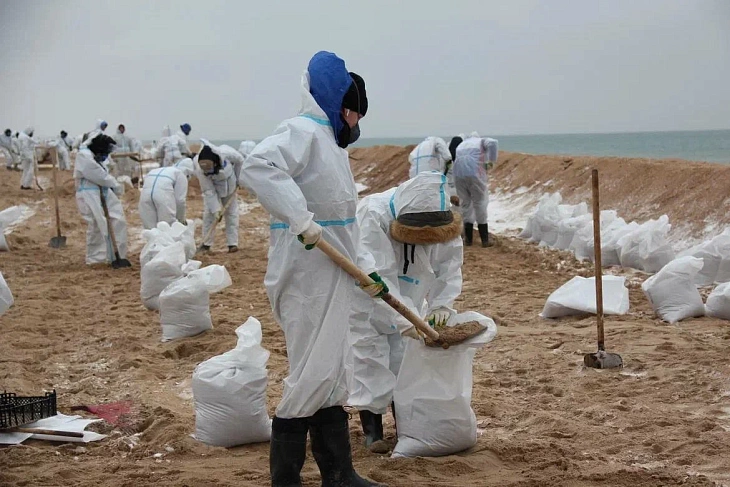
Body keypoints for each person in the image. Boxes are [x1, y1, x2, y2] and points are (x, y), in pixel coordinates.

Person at [240, 51, 389, 487]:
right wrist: (300, 219)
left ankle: (339, 474)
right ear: (334, 101)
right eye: (351, 111)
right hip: (305, 277)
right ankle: (285, 478)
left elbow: (346, 223)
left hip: (337, 275)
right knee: (312, 374)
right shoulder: (301, 132)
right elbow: (260, 166)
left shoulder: (332, 148)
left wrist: (367, 270)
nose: (354, 122)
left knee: (334, 373)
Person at [351, 171, 463, 452]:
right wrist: (404, 318)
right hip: (368, 299)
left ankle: (406, 428)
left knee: (406, 363)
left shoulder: (443, 219)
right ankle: (373, 431)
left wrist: (441, 305)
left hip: (411, 298)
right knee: (370, 357)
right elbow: (378, 275)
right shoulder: (372, 215)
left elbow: (448, 268)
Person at [74, 134, 129, 265]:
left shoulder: (93, 155)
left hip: (102, 190)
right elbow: (99, 176)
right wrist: (116, 185)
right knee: (97, 225)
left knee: (117, 219)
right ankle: (95, 259)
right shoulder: (84, 156)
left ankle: (117, 255)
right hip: (89, 193)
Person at [453, 132, 498, 247]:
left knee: (466, 204)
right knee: (480, 203)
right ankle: (485, 240)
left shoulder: (461, 145)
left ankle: (468, 240)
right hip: (475, 175)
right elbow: (493, 142)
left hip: (458, 176)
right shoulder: (481, 141)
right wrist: (491, 161)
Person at [195, 140, 239, 253]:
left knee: (232, 215)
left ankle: (232, 244)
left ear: (215, 163)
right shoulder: (200, 169)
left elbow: (240, 161)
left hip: (231, 188)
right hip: (214, 190)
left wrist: (239, 179)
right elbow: (208, 191)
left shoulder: (228, 153)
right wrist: (216, 210)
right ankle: (206, 244)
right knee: (209, 215)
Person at [138, 158, 195, 229]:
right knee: (167, 228)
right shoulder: (180, 175)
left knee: (151, 231)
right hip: (163, 196)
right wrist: (181, 220)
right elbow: (180, 201)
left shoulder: (157, 170)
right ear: (188, 173)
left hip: (145, 196)